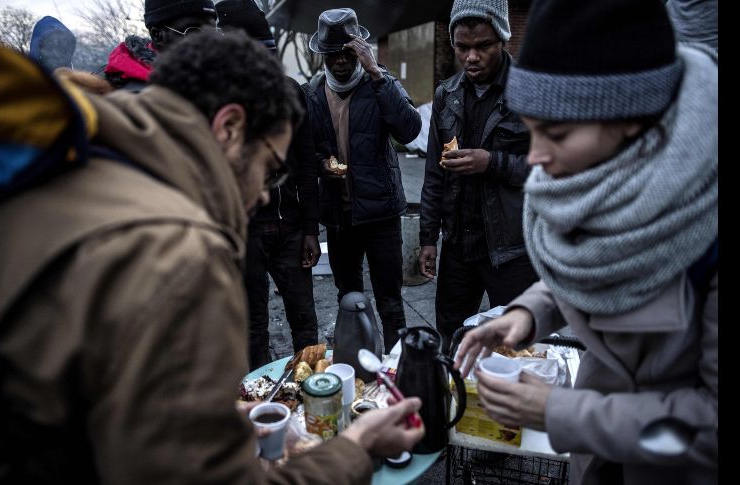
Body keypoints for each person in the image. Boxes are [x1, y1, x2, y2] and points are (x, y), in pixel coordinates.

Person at [0, 30, 423, 484]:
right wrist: (356, 450)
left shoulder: (79, 162)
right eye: (271, 169)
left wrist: (214, 419)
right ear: (230, 128)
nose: (262, 194)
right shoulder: (181, 254)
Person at [454, 0, 718, 483]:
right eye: (531, 129)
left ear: (633, 120)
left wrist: (561, 412)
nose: (535, 158)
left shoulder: (706, 220)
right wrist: (527, 312)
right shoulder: (601, 176)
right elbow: (597, 262)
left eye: (556, 133)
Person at [419, 0, 538, 353]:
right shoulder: (447, 94)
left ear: (502, 40)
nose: (471, 57)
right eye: (462, 47)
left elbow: (549, 171)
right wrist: (428, 237)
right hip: (459, 247)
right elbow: (433, 173)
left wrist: (493, 162)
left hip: (512, 250)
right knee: (451, 341)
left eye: (483, 46)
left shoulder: (529, 91)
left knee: (519, 345)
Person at [303, 8, 421, 352]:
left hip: (381, 214)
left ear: (360, 49)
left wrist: (375, 71)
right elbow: (306, 150)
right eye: (332, 54)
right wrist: (322, 162)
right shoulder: (312, 93)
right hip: (340, 218)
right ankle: (357, 369)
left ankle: (398, 374)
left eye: (348, 51)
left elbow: (409, 129)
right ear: (323, 55)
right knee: (349, 299)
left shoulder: (380, 82)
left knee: (389, 301)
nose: (340, 60)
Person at [216, 0, 321, 371]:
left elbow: (308, 164)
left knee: (305, 323)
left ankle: (312, 393)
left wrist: (311, 228)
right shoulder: (219, 104)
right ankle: (258, 408)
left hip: (292, 229)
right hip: (248, 233)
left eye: (267, 54)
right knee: (252, 326)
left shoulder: (292, 93)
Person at [104, 0, 218, 91]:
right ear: (157, 35)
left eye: (212, 31)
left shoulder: (219, 83)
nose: (208, 41)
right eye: (193, 31)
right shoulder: (112, 93)